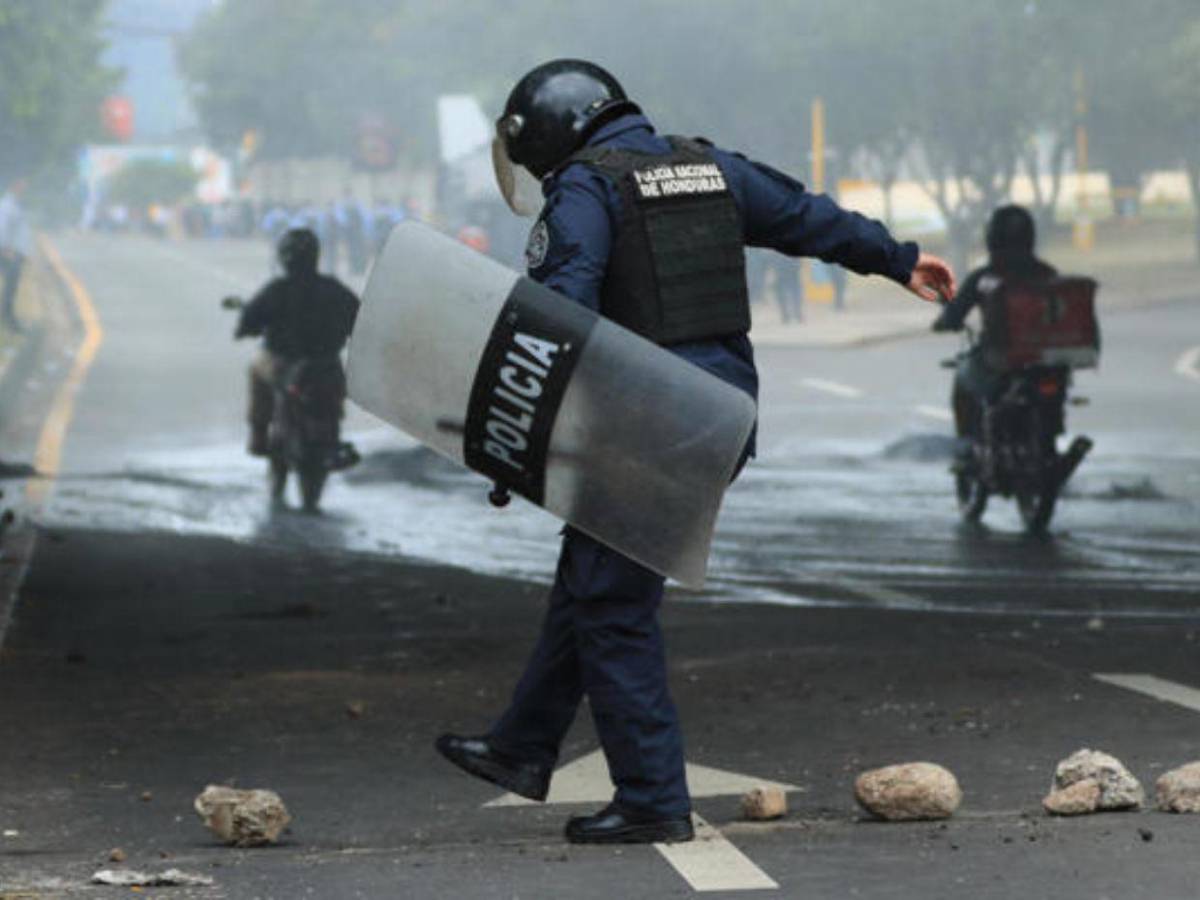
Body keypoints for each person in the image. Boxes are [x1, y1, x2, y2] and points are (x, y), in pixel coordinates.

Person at [435, 59, 955, 845]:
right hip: (722, 416)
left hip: (646, 420)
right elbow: (805, 216)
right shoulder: (708, 167)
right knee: (594, 572)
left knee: (612, 604)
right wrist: (897, 258)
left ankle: (651, 800)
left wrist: (522, 434)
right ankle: (521, 746)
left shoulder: (585, 187)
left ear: (547, 132)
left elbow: (559, 316)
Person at [933, 205, 1057, 455]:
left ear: (992, 238)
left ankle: (967, 445)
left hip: (997, 360)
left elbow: (954, 313)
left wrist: (946, 320)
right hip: (1045, 359)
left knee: (963, 379)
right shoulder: (1047, 274)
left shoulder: (985, 276)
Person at [234, 228, 360, 458]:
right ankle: (333, 438)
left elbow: (248, 321)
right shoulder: (333, 288)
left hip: (282, 364)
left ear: (284, 258)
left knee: (255, 371)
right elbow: (359, 320)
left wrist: (245, 328)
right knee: (335, 387)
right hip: (326, 364)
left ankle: (258, 433)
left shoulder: (276, 290)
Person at [0, 178, 33, 333]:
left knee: (11, 288)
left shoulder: (15, 205)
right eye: (21, 185)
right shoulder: (7, 205)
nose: (24, 188)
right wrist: (5, 249)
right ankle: (9, 321)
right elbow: (2, 228)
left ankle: (9, 319)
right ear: (14, 186)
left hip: (15, 253)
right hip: (9, 254)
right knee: (10, 289)